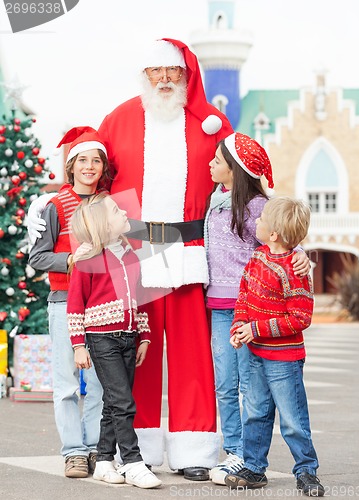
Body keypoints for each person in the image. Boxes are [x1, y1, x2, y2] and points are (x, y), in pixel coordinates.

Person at [28, 38, 232, 479]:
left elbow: (238, 178)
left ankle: (194, 449)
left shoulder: (210, 124)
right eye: (155, 72)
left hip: (188, 252)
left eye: (171, 72)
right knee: (131, 356)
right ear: (144, 75)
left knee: (192, 354)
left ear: (185, 75)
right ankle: (133, 448)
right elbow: (87, 169)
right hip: (130, 255)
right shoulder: (118, 119)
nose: (163, 79)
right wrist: (47, 203)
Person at [205, 133, 310, 485]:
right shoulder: (214, 201)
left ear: (235, 170)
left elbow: (281, 240)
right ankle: (235, 450)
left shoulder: (256, 208)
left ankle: (249, 457)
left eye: (218, 161)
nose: (211, 164)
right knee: (224, 383)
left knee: (249, 387)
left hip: (249, 307)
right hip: (219, 307)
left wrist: (301, 256)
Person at [225, 197, 325, 497]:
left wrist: (254, 329)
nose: (256, 221)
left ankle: (306, 470)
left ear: (274, 234)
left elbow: (300, 318)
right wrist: (238, 326)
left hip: (284, 359)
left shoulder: (296, 269)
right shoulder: (257, 258)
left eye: (262, 219)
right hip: (255, 353)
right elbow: (243, 296)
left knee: (293, 419)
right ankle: (254, 468)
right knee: (255, 412)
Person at [28, 127, 108, 478]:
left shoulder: (110, 204)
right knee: (67, 382)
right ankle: (73, 451)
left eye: (96, 161)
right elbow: (37, 257)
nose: (90, 167)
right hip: (64, 302)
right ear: (72, 166)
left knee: (102, 384)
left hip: (104, 304)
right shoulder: (55, 205)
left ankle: (93, 448)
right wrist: (70, 261)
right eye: (83, 160)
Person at [67, 193, 161, 489]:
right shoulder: (86, 259)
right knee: (123, 401)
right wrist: (78, 344)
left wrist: (144, 336)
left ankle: (105, 460)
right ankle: (133, 461)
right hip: (101, 338)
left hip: (128, 337)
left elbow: (141, 299)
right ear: (102, 225)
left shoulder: (131, 255)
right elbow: (75, 305)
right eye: (116, 211)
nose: (123, 213)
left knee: (113, 401)